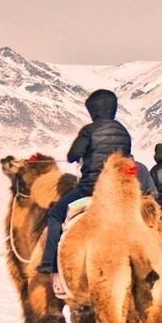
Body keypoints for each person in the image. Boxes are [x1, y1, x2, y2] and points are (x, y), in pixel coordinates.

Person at [36, 89, 132, 275]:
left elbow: (73, 155)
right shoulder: (124, 132)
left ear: (94, 109)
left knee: (55, 214)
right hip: (117, 190)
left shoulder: (89, 130)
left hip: (90, 188)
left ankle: (50, 262)